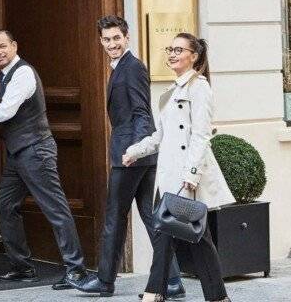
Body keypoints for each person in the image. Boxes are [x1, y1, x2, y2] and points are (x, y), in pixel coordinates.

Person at [0, 30, 88, 289]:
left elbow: (7, 110)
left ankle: (76, 270)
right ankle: (22, 267)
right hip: (19, 153)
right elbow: (11, 103)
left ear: (14, 46)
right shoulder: (8, 76)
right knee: (4, 206)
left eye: (2, 46)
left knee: (55, 209)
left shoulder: (24, 72)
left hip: (35, 150)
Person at [76, 16, 186, 298]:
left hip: (131, 155)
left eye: (116, 38)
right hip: (141, 154)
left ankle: (105, 280)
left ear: (127, 38)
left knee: (114, 216)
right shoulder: (121, 67)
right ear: (101, 41)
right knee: (151, 217)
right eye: (106, 39)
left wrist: (134, 150)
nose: (112, 44)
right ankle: (172, 281)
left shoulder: (132, 68)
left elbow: (140, 112)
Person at [123, 33, 233, 302]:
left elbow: (201, 136)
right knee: (168, 234)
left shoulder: (199, 88)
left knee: (195, 236)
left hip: (185, 177)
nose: (172, 54)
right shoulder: (172, 91)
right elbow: (161, 135)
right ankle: (161, 292)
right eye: (170, 49)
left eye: (179, 50)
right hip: (168, 176)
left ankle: (161, 293)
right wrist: (136, 151)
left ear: (193, 56)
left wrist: (192, 174)